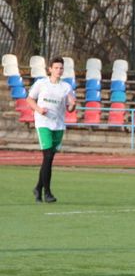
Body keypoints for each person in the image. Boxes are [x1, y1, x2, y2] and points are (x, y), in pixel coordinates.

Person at [27, 56, 76, 203]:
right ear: (50, 69)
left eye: (61, 68)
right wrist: (38, 109)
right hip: (43, 123)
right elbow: (29, 99)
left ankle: (38, 188)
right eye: (56, 68)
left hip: (58, 125)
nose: (59, 70)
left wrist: (73, 105)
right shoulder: (41, 83)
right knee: (47, 156)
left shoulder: (66, 87)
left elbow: (70, 108)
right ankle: (47, 193)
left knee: (48, 159)